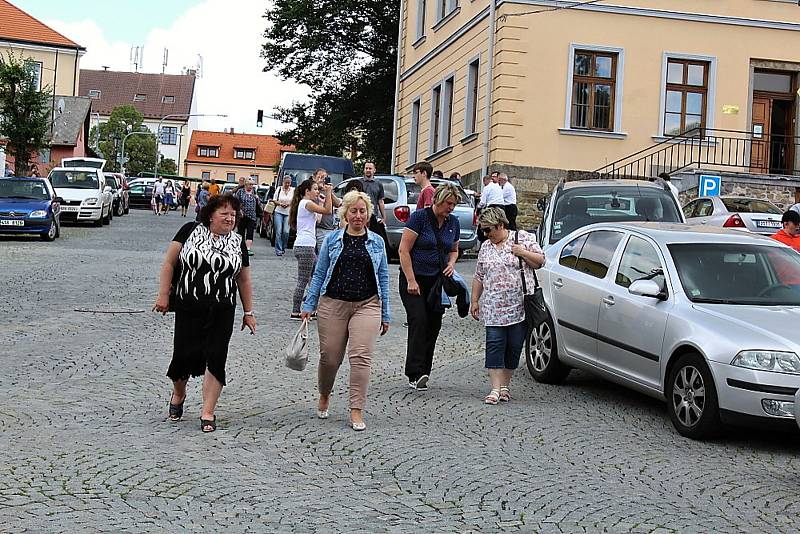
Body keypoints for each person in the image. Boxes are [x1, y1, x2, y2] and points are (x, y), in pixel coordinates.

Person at [153, 194, 257, 433]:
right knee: (182, 356)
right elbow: (169, 263)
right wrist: (163, 295)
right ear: (211, 215)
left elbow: (244, 278)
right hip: (189, 305)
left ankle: (207, 411)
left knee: (217, 357)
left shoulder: (237, 241)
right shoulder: (189, 230)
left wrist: (248, 312)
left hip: (222, 308)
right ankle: (179, 393)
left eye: (234, 214)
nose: (230, 218)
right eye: (225, 214)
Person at [301, 191, 391, 431]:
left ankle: (356, 409)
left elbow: (383, 277)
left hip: (367, 304)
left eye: (362, 211)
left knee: (361, 358)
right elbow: (319, 273)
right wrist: (309, 304)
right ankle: (325, 393)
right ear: (346, 214)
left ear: (368, 214)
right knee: (330, 358)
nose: (358, 216)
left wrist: (386, 313)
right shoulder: (332, 240)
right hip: (333, 303)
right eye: (354, 211)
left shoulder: (377, 242)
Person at [470, 207, 544, 404]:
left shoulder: (522, 238)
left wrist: (523, 252)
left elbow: (540, 261)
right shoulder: (486, 247)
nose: (485, 234)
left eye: (488, 230)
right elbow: (479, 276)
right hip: (494, 306)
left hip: (519, 306)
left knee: (513, 347)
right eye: (483, 230)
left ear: (500, 225)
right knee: (494, 345)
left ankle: (504, 386)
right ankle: (494, 389)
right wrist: (475, 300)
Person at [398, 183, 462, 390]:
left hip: (437, 282)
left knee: (433, 324)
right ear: (438, 200)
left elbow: (454, 249)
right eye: (448, 203)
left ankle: (425, 370)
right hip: (413, 279)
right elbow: (404, 250)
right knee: (419, 321)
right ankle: (414, 372)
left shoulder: (454, 223)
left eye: (453, 204)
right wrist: (411, 280)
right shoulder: (419, 218)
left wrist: (451, 264)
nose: (450, 208)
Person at [290, 178, 333, 320]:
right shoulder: (307, 203)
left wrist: (321, 201)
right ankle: (296, 311)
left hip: (305, 245)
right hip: (305, 246)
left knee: (315, 277)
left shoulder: (307, 205)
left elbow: (319, 219)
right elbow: (328, 211)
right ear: (307, 191)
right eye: (315, 189)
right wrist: (328, 193)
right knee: (304, 279)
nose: (317, 191)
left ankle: (311, 307)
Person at [359, 162, 389, 252]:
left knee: (373, 238)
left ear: (374, 170)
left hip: (373, 216)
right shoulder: (359, 183)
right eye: (366, 168)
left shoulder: (378, 184)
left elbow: (380, 201)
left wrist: (384, 216)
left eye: (370, 168)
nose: (368, 170)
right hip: (361, 215)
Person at [313, 168, 342, 252]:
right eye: (320, 177)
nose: (322, 179)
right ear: (314, 177)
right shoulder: (312, 191)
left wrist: (330, 191)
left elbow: (338, 204)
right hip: (316, 227)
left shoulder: (328, 191)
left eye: (324, 177)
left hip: (327, 227)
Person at [235, 178, 259, 256]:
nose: (251, 186)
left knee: (250, 232)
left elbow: (257, 203)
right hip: (242, 215)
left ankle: (247, 249)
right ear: (245, 184)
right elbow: (235, 202)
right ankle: (241, 248)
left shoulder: (254, 192)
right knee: (241, 232)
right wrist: (239, 210)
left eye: (252, 184)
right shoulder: (240, 192)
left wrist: (257, 199)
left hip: (252, 216)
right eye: (250, 184)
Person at [273, 175, 294, 256]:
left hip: (288, 212)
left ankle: (283, 246)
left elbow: (295, 200)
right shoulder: (278, 189)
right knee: (278, 231)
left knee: (286, 231)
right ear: (283, 182)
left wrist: (289, 204)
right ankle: (278, 249)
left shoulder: (293, 190)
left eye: (289, 183)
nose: (287, 184)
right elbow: (274, 200)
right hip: (278, 211)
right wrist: (280, 204)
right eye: (286, 183)